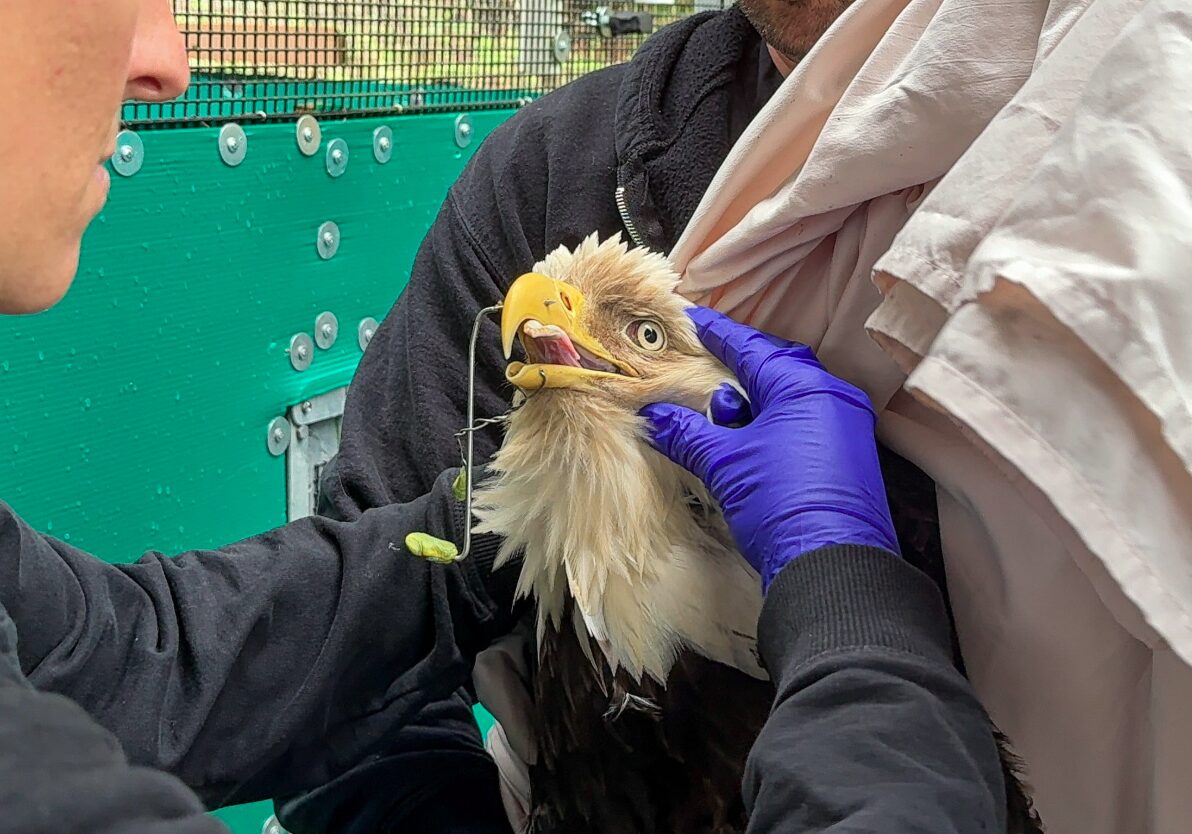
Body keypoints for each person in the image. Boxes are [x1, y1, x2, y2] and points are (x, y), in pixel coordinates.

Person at [0, 1, 1007, 833]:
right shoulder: (552, 176)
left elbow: (120, 660)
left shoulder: (1121, 169)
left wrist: (474, 544)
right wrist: (856, 609)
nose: (170, 61)